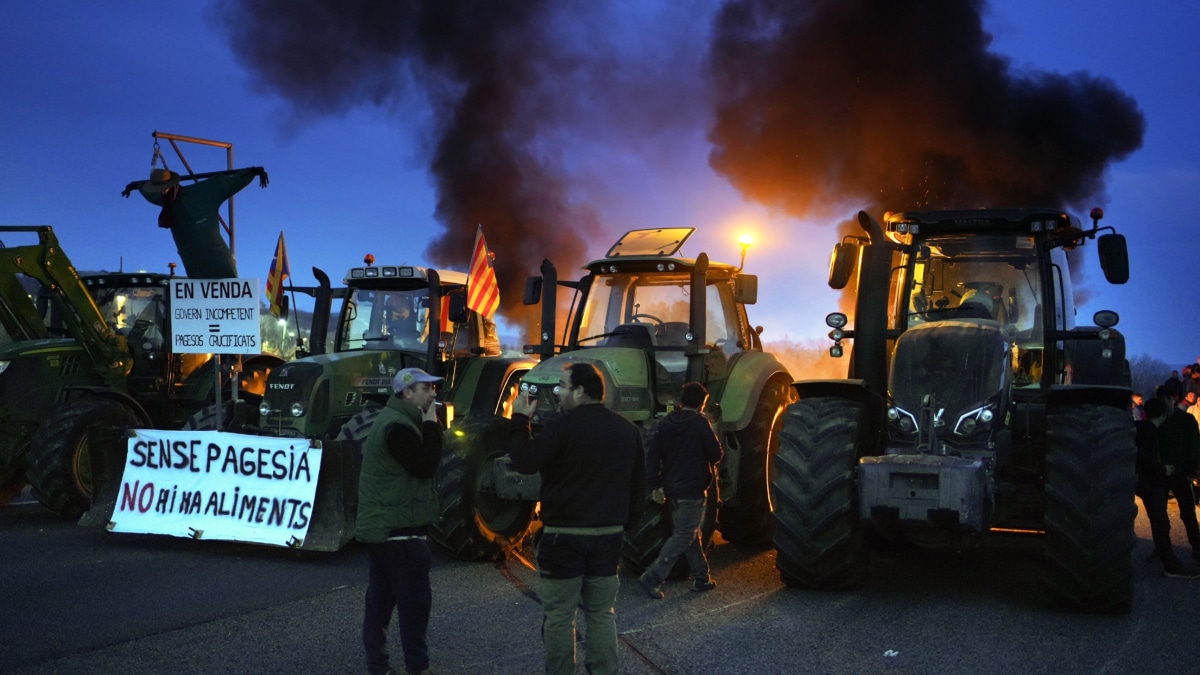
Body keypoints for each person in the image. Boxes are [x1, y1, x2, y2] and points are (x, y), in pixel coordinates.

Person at [504, 362, 645, 675]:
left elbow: (526, 461)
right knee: (601, 613)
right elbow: (639, 487)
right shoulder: (627, 430)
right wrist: (625, 525)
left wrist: (519, 420)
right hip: (608, 536)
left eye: (563, 387)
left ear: (580, 391)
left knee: (558, 616)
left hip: (563, 536)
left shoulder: (561, 426)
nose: (559, 393)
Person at [356, 367, 443, 675]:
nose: (433, 394)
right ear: (407, 392)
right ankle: (418, 669)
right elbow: (425, 465)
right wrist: (432, 425)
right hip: (400, 534)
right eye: (426, 389)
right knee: (414, 606)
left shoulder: (395, 421)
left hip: (386, 531)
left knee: (379, 603)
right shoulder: (398, 427)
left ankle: (378, 667)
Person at [638, 382, 723, 598]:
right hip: (693, 491)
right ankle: (653, 577)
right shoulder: (699, 423)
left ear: (681, 401)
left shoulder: (665, 423)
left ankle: (702, 579)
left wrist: (655, 485)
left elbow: (653, 456)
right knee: (684, 535)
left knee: (691, 534)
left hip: (673, 491)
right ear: (702, 403)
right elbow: (716, 455)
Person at [125, 166, 269, 279]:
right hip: (194, 269)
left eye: (163, 188)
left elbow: (227, 183)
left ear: (171, 184)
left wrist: (252, 172)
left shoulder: (203, 193)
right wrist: (136, 185)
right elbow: (148, 193)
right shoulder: (166, 202)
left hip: (219, 264)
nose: (162, 192)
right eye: (158, 190)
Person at [1137, 397, 1200, 577]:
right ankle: (1170, 560)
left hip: (1167, 476)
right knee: (1162, 519)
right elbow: (1147, 458)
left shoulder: (1142, 428)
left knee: (1166, 518)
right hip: (1161, 478)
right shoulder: (1151, 430)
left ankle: (1171, 553)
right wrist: (1164, 469)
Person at [1154, 386, 1200, 560]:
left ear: (1173, 399)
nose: (1165, 403)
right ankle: (1161, 548)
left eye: (1167, 399)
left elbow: (1194, 446)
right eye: (1162, 400)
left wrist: (1191, 469)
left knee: (1187, 512)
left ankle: (1196, 546)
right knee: (1159, 514)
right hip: (1162, 473)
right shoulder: (1159, 420)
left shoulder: (1187, 420)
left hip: (1180, 472)